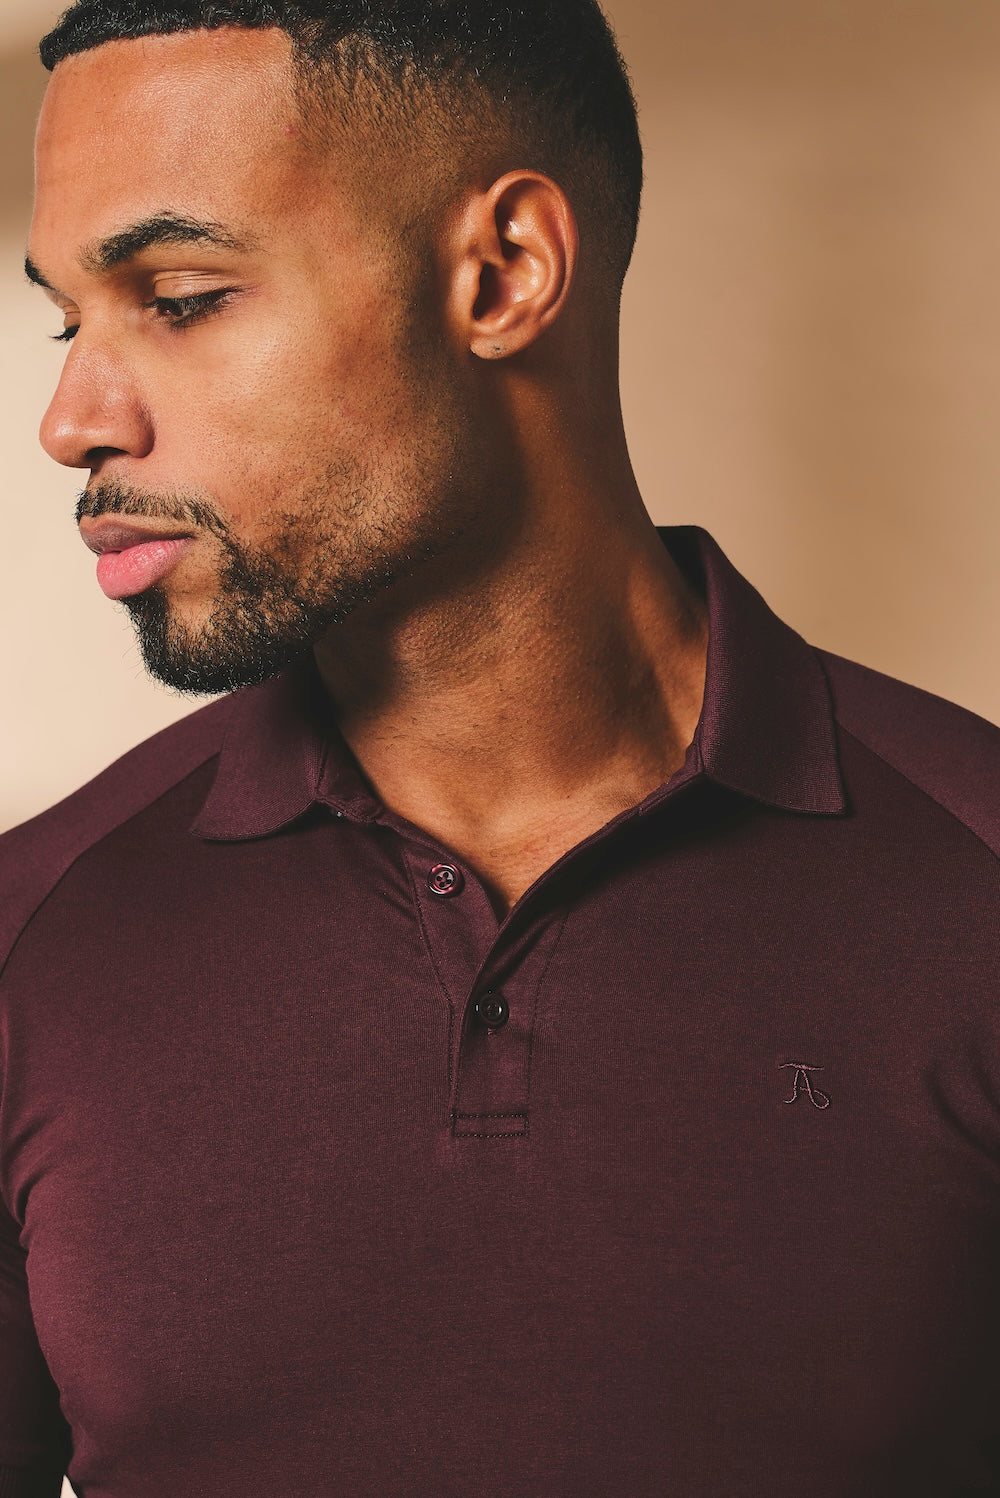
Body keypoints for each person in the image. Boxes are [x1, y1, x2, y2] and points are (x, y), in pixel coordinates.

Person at [2, 0, 997, 1493]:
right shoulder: (30, 935)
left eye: (181, 296)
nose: (71, 420)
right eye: (69, 317)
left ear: (504, 271)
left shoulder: (976, 881)